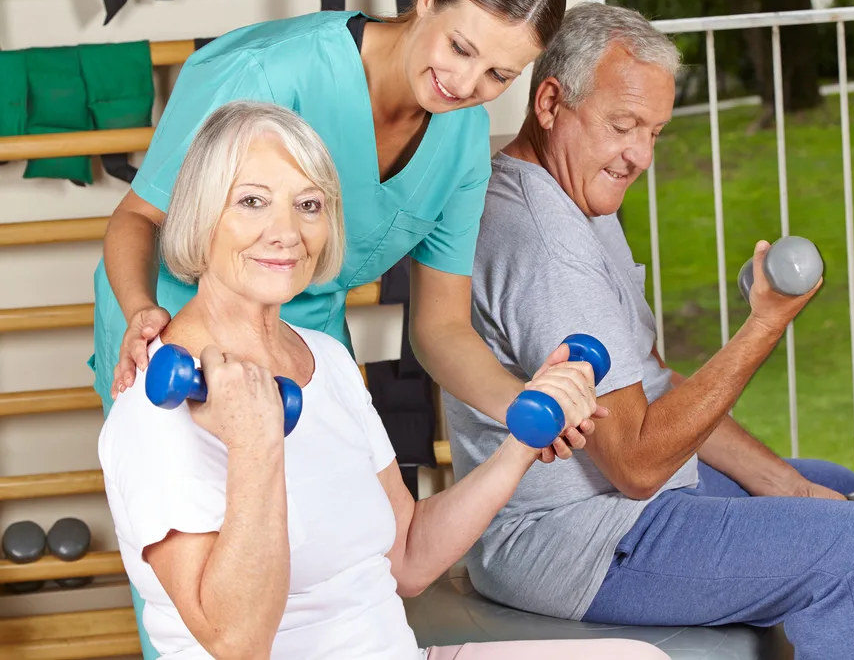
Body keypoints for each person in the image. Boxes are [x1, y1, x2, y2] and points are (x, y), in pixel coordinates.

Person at [99, 101, 668, 660]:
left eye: (308, 204)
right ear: (202, 216)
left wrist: (522, 445)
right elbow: (237, 644)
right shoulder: (156, 408)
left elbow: (410, 558)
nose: (287, 232)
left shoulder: (327, 360)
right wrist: (254, 444)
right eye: (252, 202)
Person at [443, 2, 854, 660]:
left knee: (826, 481)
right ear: (551, 102)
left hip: (614, 509)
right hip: (571, 538)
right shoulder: (544, 241)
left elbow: (655, 385)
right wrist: (762, 326)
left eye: (655, 132)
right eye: (623, 126)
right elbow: (638, 462)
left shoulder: (580, 198)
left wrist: (791, 487)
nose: (639, 155)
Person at [93, 0, 594, 466]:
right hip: (178, 325)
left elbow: (440, 327)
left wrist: (523, 402)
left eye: (500, 75)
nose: (466, 85)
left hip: (308, 342)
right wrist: (141, 314)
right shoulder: (267, 73)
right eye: (461, 48)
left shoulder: (465, 143)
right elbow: (139, 216)